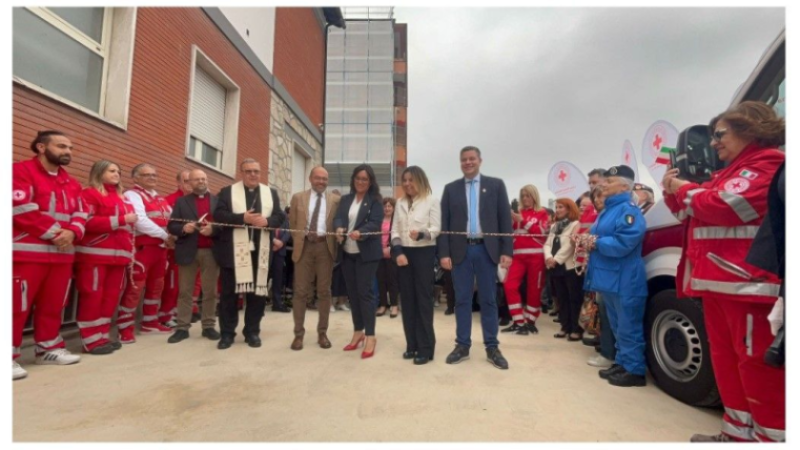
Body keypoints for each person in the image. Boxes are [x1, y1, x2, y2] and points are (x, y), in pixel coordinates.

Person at [663, 101, 785, 442]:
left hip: (748, 288)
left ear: (750, 129)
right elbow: (693, 215)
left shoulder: (769, 163)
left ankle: (772, 439)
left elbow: (725, 207)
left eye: (720, 134)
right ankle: (736, 435)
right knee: (727, 363)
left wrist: (683, 190)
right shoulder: (728, 174)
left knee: (757, 369)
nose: (713, 143)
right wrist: (673, 193)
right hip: (719, 284)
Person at [13, 131, 86, 380]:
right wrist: (57, 233)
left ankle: (48, 349)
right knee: (15, 306)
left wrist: (73, 232)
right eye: (62, 146)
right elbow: (21, 208)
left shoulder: (72, 182)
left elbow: (81, 212)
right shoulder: (20, 171)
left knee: (54, 304)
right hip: (27, 255)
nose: (68, 151)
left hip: (62, 255)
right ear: (42, 147)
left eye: (71, 147)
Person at [439, 146, 513, 370]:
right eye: (464, 160)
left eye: (472, 159)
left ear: (480, 160)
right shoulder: (450, 189)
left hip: (486, 250)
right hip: (461, 250)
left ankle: (492, 346)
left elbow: (504, 221)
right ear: (460, 163)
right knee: (462, 300)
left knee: (489, 300)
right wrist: (443, 253)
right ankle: (462, 345)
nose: (468, 162)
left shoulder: (496, 185)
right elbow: (444, 224)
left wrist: (507, 250)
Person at [582, 164, 647, 388]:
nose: (604, 185)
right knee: (619, 326)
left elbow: (625, 242)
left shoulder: (628, 209)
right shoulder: (609, 210)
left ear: (623, 186)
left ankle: (634, 370)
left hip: (625, 279)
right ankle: (622, 364)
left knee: (628, 327)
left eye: (609, 182)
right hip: (610, 278)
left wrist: (596, 242)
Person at [213, 159, 284, 350]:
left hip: (260, 252)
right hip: (233, 253)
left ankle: (252, 332)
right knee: (228, 295)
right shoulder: (228, 192)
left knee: (257, 295)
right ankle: (227, 334)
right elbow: (218, 215)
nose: (253, 175)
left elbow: (280, 217)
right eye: (249, 171)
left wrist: (267, 222)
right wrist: (241, 218)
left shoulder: (270, 193)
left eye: (256, 171)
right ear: (241, 173)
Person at [75, 160, 136, 355]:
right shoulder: (89, 193)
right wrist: (120, 220)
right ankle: (90, 341)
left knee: (110, 298)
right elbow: (87, 222)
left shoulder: (122, 198)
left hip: (119, 258)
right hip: (95, 256)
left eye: (118, 171)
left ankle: (101, 336)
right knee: (93, 296)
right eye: (112, 171)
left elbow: (128, 229)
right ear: (99, 173)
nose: (117, 174)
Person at [118, 163, 175, 343]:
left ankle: (150, 322)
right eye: (147, 175)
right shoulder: (132, 194)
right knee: (135, 288)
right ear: (135, 178)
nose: (152, 178)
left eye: (154, 175)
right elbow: (140, 221)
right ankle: (124, 327)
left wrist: (174, 235)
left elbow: (172, 219)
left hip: (161, 250)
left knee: (156, 287)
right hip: (143, 249)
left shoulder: (159, 198)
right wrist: (165, 235)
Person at [391, 166, 441, 365]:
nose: (407, 184)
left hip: (424, 253)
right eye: (405, 180)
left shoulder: (431, 201)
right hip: (404, 254)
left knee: (423, 301)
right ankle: (411, 345)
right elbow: (394, 231)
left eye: (411, 180)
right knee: (408, 301)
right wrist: (398, 253)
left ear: (420, 180)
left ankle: (426, 347)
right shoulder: (400, 203)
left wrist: (421, 234)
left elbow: (436, 228)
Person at [166, 169, 222, 344]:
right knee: (185, 292)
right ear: (189, 183)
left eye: (204, 179)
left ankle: (208, 326)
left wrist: (213, 229)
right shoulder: (181, 202)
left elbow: (225, 225)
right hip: (188, 250)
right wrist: (184, 228)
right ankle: (182, 328)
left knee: (210, 291)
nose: (201, 182)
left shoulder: (218, 201)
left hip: (211, 252)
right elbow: (172, 225)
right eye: (197, 179)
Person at [334, 164, 383, 359]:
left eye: (365, 179)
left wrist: (360, 232)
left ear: (370, 182)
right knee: (353, 295)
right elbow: (338, 218)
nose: (361, 182)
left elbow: (375, 224)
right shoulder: (345, 200)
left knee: (365, 294)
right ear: (353, 180)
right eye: (358, 178)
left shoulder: (375, 201)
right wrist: (338, 228)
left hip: (367, 254)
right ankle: (358, 331)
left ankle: (370, 336)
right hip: (347, 253)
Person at [289, 166, 341, 351]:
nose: (321, 182)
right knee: (301, 292)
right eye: (318, 178)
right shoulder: (298, 197)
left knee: (324, 292)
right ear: (310, 179)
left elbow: (338, 222)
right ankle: (298, 335)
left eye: (325, 179)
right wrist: (300, 239)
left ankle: (322, 333)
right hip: (303, 247)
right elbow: (293, 223)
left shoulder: (336, 200)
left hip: (325, 248)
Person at [501, 185, 549, 336]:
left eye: (528, 195)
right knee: (509, 285)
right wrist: (509, 219)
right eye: (523, 196)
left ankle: (530, 322)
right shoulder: (518, 213)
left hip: (536, 256)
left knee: (534, 289)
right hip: (518, 256)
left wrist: (524, 222)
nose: (525, 199)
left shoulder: (542, 213)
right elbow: (510, 233)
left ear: (534, 196)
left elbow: (542, 233)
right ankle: (518, 321)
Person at [585, 188, 616, 369]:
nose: (597, 199)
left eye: (601, 195)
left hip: (611, 272)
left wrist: (594, 241)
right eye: (595, 196)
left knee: (611, 316)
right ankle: (608, 352)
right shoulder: (603, 215)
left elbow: (622, 241)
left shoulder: (616, 213)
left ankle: (609, 355)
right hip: (601, 271)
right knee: (605, 314)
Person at [543, 199, 582, 341]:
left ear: (569, 209)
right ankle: (565, 326)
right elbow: (547, 243)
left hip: (569, 266)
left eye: (561, 207)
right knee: (561, 298)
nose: (558, 210)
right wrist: (548, 257)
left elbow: (570, 246)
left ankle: (575, 328)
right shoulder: (555, 226)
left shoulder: (575, 224)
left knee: (574, 298)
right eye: (557, 207)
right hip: (555, 267)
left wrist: (556, 259)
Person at [160, 169, 193, 328]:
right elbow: (166, 224)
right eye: (186, 181)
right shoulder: (170, 200)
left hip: (193, 248)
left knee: (187, 285)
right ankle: (166, 314)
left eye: (192, 181)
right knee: (172, 284)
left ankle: (180, 312)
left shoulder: (196, 201)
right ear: (178, 183)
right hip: (175, 249)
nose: (190, 184)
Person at [377, 197, 400, 318]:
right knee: (381, 280)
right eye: (385, 206)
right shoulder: (378, 220)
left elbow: (399, 237)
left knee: (393, 281)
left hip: (392, 254)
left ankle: (394, 305)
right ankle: (382, 305)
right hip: (379, 254)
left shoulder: (397, 221)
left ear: (393, 208)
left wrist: (390, 248)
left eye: (389, 206)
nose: (387, 208)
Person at [269, 214, 291, 313]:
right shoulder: (268, 214)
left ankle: (277, 304)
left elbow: (288, 232)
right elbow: (265, 229)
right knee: (263, 277)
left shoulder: (284, 217)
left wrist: (281, 243)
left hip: (280, 251)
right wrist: (273, 240)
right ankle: (258, 303)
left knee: (278, 279)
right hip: (267, 249)